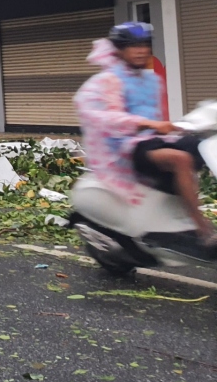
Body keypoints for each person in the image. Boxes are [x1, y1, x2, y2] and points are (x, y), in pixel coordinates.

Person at [75, 22, 216, 245]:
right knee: (180, 159)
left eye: (144, 44)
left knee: (199, 146)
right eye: (133, 46)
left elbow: (158, 121)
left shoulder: (152, 80)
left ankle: (177, 211)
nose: (141, 50)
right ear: (120, 50)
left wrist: (181, 125)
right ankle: (202, 228)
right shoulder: (108, 81)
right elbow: (107, 118)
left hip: (151, 141)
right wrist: (147, 123)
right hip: (123, 148)